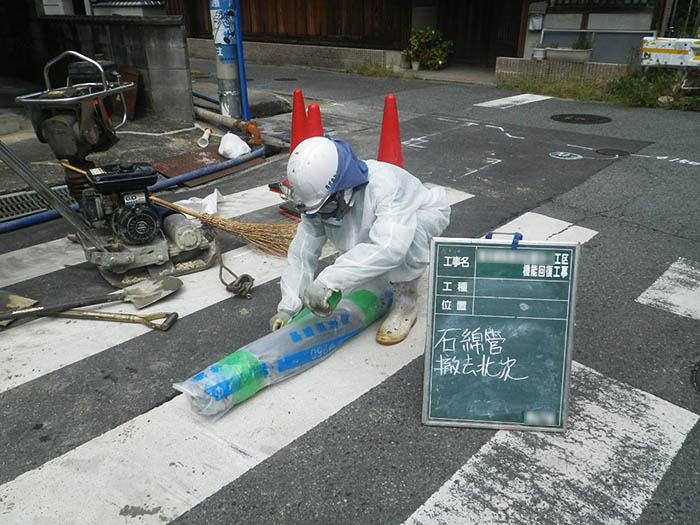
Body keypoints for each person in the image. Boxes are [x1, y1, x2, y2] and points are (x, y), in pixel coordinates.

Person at [269, 135, 450, 345]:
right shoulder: (320, 199)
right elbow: (303, 253)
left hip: (421, 216)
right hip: (380, 226)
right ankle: (379, 276)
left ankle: (406, 303)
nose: (320, 214)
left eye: (325, 206)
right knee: (359, 246)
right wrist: (288, 306)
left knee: (410, 235)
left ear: (343, 189)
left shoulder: (386, 185)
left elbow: (391, 246)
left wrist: (328, 281)